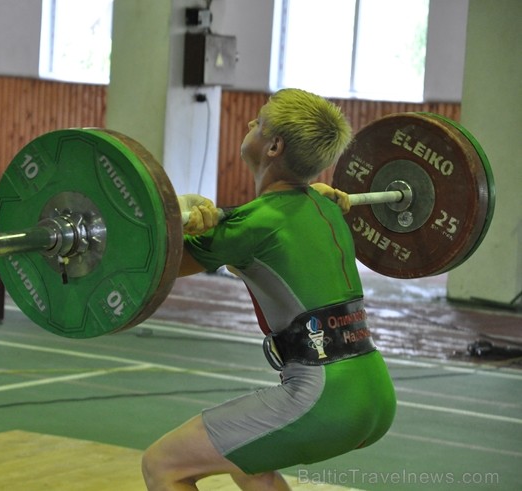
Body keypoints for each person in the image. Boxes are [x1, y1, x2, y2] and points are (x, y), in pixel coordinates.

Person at [142, 88, 396, 490]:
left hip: (322, 397)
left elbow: (156, 264)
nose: (248, 124)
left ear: (274, 145)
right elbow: (282, 230)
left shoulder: (252, 224)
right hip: (375, 394)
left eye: (258, 122)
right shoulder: (327, 206)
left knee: (163, 465)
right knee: (248, 459)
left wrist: (172, 215)